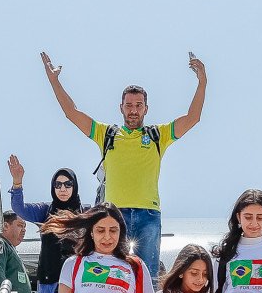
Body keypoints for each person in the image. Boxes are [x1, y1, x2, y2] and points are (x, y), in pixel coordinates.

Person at [39, 50, 208, 272]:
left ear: (146, 109)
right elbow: (72, 113)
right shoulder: (106, 133)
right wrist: (54, 80)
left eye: (138, 105)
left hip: (148, 215)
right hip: (114, 215)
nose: (133, 110)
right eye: (129, 105)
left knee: (146, 275)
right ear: (121, 108)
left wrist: (202, 80)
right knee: (113, 274)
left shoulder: (159, 135)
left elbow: (192, 118)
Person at [6, 156, 83, 293]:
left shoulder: (85, 213)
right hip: (50, 277)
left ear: (74, 187)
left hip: (76, 279)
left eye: (67, 184)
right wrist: (17, 183)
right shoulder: (45, 211)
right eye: (58, 185)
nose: (63, 189)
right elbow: (19, 209)